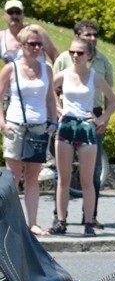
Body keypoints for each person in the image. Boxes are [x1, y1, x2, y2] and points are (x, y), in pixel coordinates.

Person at [49, 37, 115, 237]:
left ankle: (89, 222)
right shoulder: (64, 74)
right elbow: (47, 90)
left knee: (87, 179)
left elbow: (114, 100)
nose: (75, 56)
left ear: (89, 55)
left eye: (80, 53)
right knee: (63, 178)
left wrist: (101, 118)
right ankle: (61, 221)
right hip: (66, 125)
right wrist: (57, 108)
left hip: (86, 126)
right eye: (72, 52)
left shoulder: (94, 76)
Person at [0, 25, 58, 237]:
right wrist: (3, 123)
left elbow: (50, 98)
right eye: (32, 44)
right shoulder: (11, 69)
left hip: (39, 127)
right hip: (16, 126)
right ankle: (11, 223)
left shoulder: (47, 69)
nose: (36, 48)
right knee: (13, 177)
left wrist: (53, 122)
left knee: (33, 177)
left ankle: (32, 223)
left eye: (39, 44)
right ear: (22, 45)